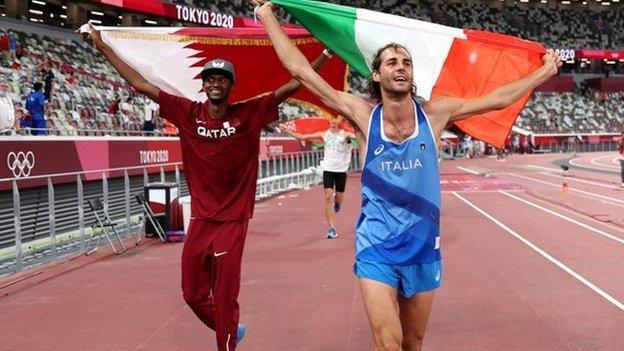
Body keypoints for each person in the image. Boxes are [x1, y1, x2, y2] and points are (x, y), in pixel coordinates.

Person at [254, 1, 561, 349]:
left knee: (412, 343)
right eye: (392, 62)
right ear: (376, 74)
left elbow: (497, 98)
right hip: (376, 247)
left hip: (422, 247)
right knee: (388, 343)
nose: (401, 67)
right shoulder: (361, 114)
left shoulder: (435, 113)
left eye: (407, 63)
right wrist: (266, 16)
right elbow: (301, 71)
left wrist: (543, 73)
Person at [80, 22, 331, 351]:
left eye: (222, 80)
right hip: (200, 220)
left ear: (231, 86)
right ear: (204, 85)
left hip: (232, 221)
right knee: (192, 294)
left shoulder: (248, 114)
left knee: (225, 296)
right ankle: (229, 328)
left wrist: (326, 53)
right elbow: (140, 83)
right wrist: (102, 46)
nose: (215, 84)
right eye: (210, 79)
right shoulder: (187, 112)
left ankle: (226, 341)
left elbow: (294, 84)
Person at [287, 116, 355, 238]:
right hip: (328, 169)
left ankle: (338, 203)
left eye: (336, 120)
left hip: (341, 170)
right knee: (328, 196)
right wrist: (288, 131)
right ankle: (331, 228)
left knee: (339, 197)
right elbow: (303, 136)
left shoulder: (345, 134)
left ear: (339, 122)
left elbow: (357, 137)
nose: (334, 122)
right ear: (329, 122)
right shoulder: (324, 134)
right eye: (332, 120)